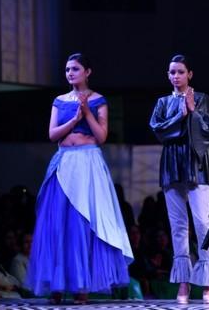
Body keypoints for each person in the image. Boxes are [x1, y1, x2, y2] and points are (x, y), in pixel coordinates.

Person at [27, 53, 132, 304]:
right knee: (58, 225)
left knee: (82, 224)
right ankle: (56, 286)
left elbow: (102, 136)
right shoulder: (60, 101)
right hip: (64, 162)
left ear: (87, 72)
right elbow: (52, 134)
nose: (70, 73)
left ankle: (81, 286)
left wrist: (86, 113)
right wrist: (74, 119)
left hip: (88, 163)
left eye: (75, 69)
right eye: (67, 69)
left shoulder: (98, 100)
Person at [149, 54, 209, 304]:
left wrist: (192, 112)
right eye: (172, 72)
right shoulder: (162, 102)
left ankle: (208, 281)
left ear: (189, 74)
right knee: (178, 225)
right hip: (172, 166)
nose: (176, 76)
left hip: (197, 165)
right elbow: (159, 130)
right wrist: (180, 116)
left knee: (202, 223)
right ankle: (183, 281)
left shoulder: (201, 99)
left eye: (180, 71)